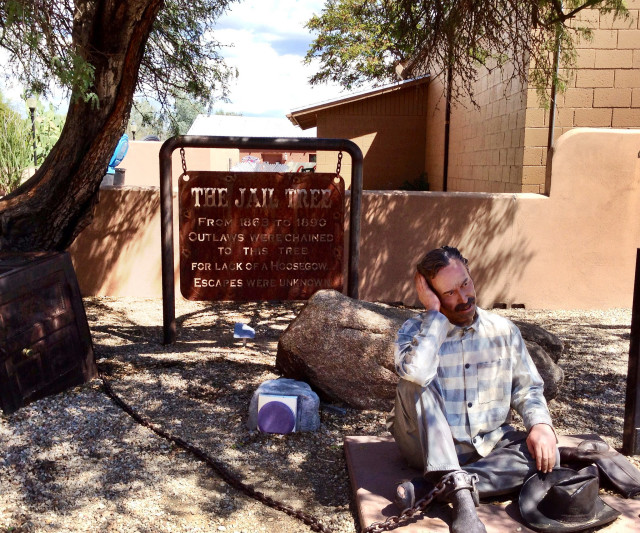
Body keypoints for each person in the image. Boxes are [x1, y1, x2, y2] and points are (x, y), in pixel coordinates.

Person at [387, 246, 558, 533]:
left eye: (465, 283)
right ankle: (463, 502)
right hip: (423, 445)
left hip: (488, 443)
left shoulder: (503, 330)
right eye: (449, 293)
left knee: (545, 455)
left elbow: (527, 388)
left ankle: (442, 488)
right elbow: (414, 374)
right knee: (415, 379)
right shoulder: (413, 332)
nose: (463, 297)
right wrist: (433, 316)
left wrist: (540, 425)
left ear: (470, 273)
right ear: (431, 294)